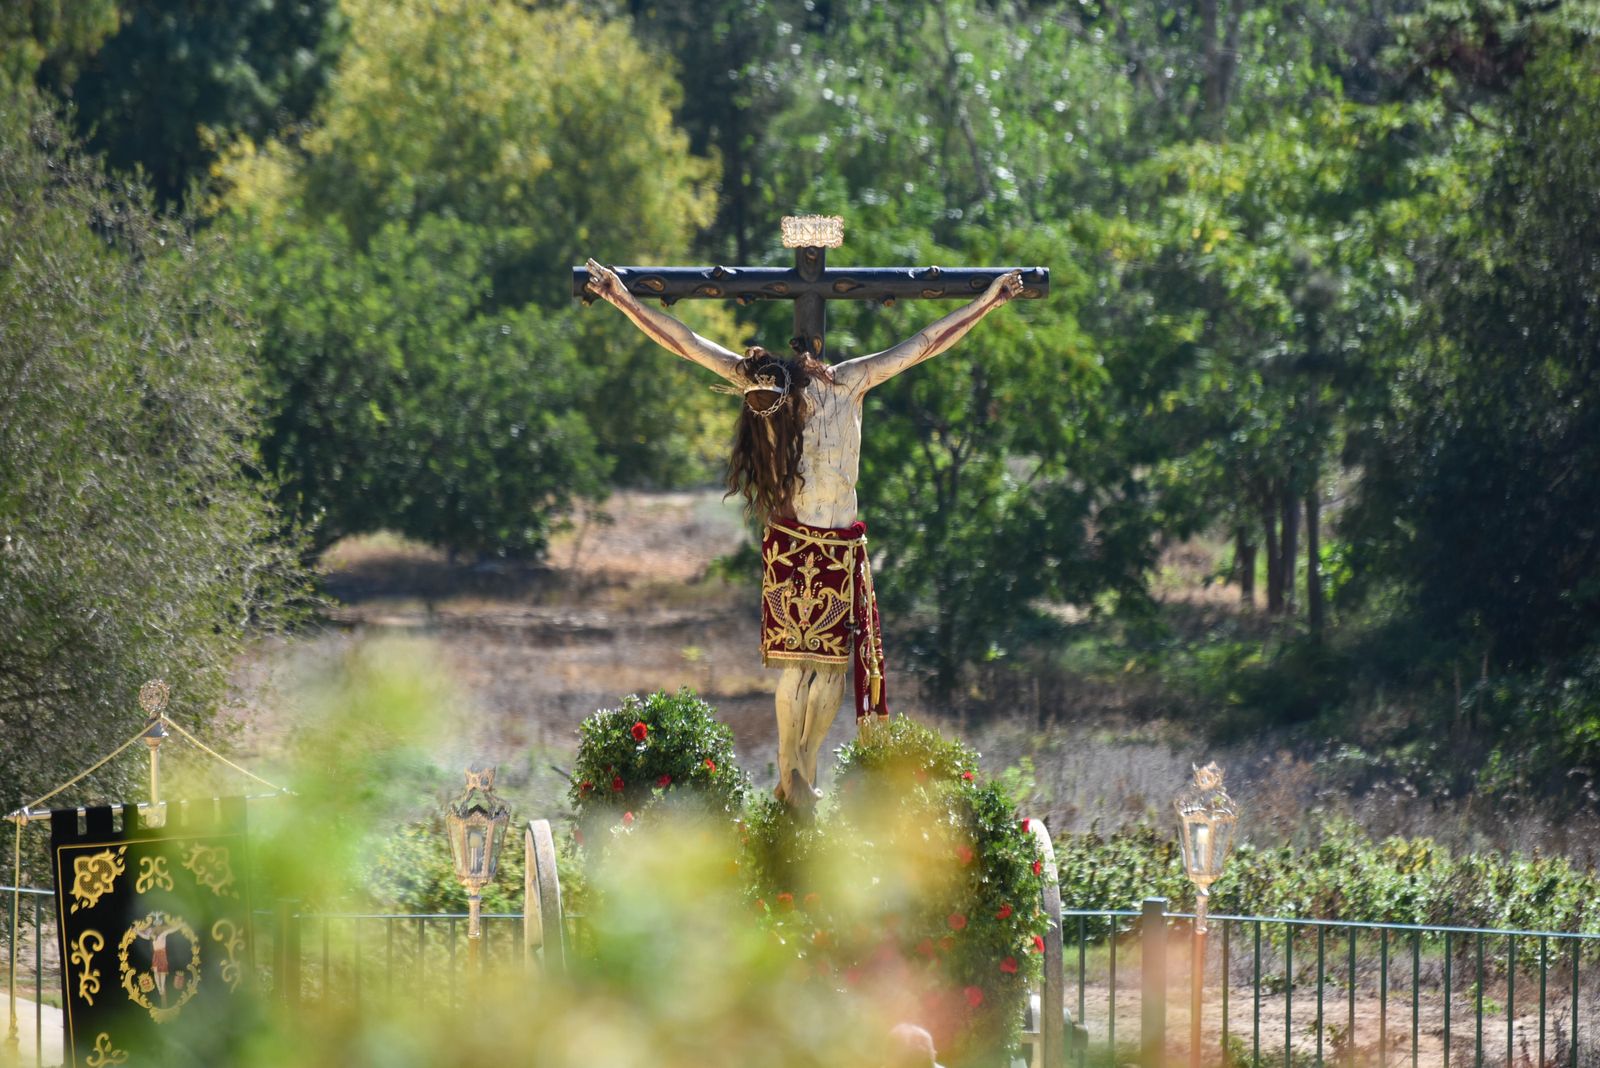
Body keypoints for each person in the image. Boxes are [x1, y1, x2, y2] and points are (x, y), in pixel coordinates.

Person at [584, 257, 1023, 804]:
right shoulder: (770, 385)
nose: (807, 360)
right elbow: (689, 344)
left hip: (839, 545)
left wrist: (989, 300)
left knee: (831, 676)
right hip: (794, 543)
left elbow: (926, 342)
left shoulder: (852, 382)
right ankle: (788, 774)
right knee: (795, 671)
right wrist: (621, 298)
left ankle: (804, 775)